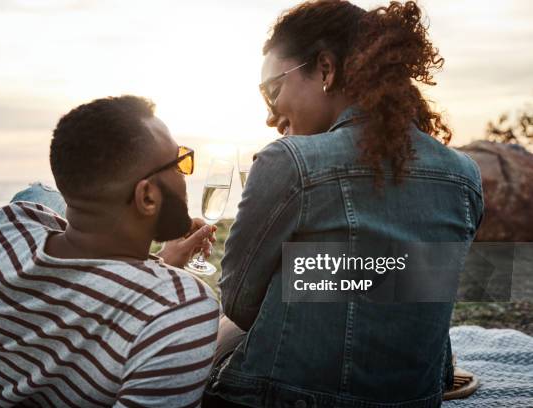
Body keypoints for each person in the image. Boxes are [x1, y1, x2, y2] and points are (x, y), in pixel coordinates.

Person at [204, 1, 483, 407]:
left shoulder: (290, 161)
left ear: (326, 69)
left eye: (272, 89)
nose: (270, 117)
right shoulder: (464, 175)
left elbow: (240, 306)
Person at [0, 95, 220, 407]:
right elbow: (237, 304)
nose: (186, 173)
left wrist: (155, 266)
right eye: (180, 162)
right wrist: (161, 275)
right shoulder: (183, 307)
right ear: (148, 197)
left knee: (37, 195)